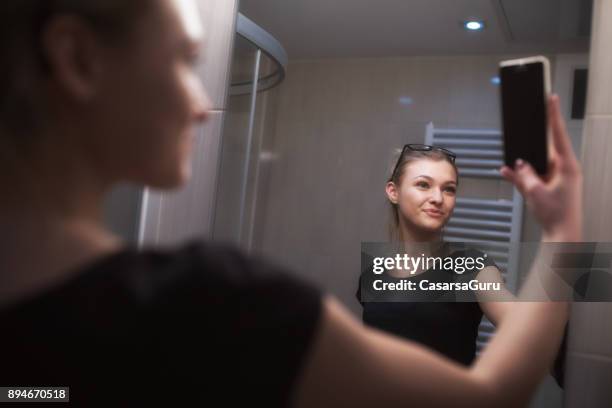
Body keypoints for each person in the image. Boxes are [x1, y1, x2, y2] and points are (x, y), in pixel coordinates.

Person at [0, 0, 583, 407]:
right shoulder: (374, 266)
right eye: (180, 60)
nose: (203, 106)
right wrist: (565, 227)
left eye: (449, 188)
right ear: (392, 192)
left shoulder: (461, 264)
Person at [355, 144, 518, 366]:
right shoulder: (373, 274)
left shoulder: (471, 267)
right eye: (423, 184)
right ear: (394, 192)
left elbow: (526, 330)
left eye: (449, 189)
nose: (438, 198)